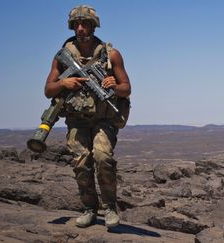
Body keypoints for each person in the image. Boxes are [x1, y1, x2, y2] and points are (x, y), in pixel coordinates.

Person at [44, 5, 131, 228]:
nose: (81, 29)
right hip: (77, 119)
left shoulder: (110, 54)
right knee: (81, 163)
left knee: (103, 158)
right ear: (72, 27)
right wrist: (64, 83)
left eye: (86, 24)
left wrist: (114, 85)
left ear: (93, 25)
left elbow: (126, 88)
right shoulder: (63, 56)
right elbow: (48, 90)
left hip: (104, 118)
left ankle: (110, 208)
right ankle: (89, 209)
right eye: (77, 25)